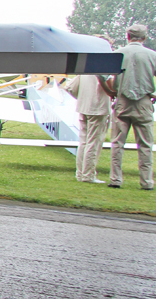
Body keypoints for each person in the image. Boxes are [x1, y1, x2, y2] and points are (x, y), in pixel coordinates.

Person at [106, 24, 156, 189]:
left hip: (122, 101)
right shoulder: (152, 55)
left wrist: (111, 92)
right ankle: (147, 182)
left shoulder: (118, 54)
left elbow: (103, 76)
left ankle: (115, 179)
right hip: (144, 102)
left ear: (128, 36)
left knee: (117, 143)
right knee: (146, 145)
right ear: (144, 37)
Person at [64, 37, 114, 184]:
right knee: (94, 142)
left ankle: (80, 174)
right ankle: (88, 175)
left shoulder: (86, 64)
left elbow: (70, 87)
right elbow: (110, 83)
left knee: (84, 142)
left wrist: (82, 97)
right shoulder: (104, 64)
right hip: (97, 107)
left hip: (83, 106)